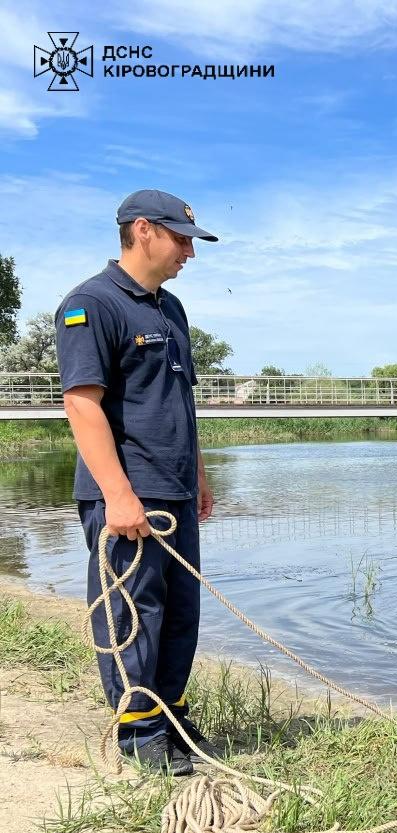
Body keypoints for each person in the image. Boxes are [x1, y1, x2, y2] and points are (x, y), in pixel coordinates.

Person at [54, 189, 220, 776]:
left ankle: (169, 715)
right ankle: (138, 730)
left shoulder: (170, 310)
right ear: (143, 230)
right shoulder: (91, 304)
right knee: (133, 610)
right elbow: (82, 404)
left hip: (173, 488)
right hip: (127, 492)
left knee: (180, 610)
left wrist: (197, 475)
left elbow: (182, 399)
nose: (188, 254)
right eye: (181, 240)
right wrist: (119, 495)